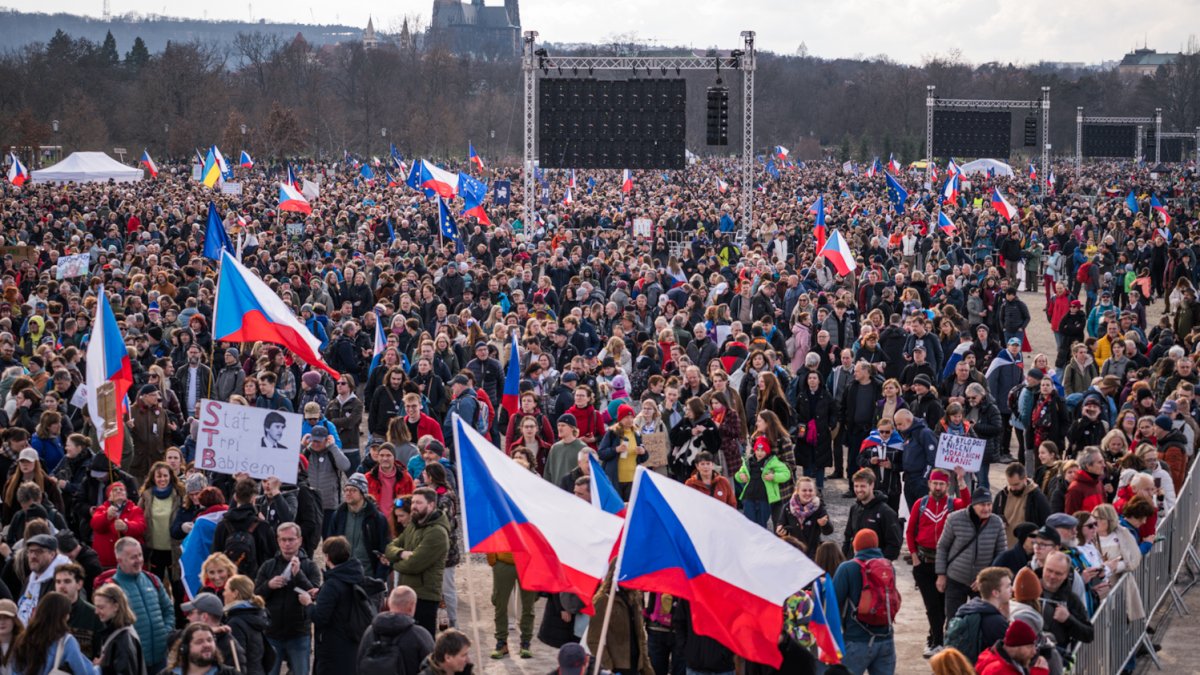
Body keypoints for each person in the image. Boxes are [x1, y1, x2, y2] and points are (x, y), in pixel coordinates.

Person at [905, 468, 969, 657]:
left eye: (941, 484)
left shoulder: (953, 504)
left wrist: (961, 480)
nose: (938, 487)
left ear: (947, 486)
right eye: (935, 483)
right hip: (923, 562)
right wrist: (914, 556)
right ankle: (935, 641)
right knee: (932, 605)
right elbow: (910, 532)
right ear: (929, 484)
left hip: (947, 563)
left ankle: (935, 637)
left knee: (943, 606)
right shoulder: (921, 504)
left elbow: (968, 504)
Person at [254, 522, 321, 675]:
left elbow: (314, 594)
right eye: (283, 540)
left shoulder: (310, 566)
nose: (287, 544)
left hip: (299, 633)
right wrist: (269, 585)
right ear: (278, 541)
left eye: (291, 539)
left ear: (300, 540)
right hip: (272, 632)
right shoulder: (268, 566)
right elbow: (256, 596)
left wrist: (299, 575)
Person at [297, 536, 368, 675]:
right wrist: (321, 592)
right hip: (351, 642)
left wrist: (308, 604)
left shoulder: (332, 584)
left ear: (328, 557)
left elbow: (319, 617)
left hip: (332, 647)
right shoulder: (354, 575)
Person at [101, 537, 174, 672]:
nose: (139, 560)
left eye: (140, 555)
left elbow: (168, 609)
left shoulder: (152, 579)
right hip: (134, 662)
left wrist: (166, 632)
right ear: (119, 561)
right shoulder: (111, 588)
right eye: (133, 557)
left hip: (161, 659)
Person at [384, 488, 450, 637]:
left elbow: (414, 565)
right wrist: (401, 553)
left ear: (431, 505)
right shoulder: (414, 525)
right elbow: (390, 547)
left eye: (419, 502)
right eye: (413, 502)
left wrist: (394, 564)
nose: (414, 506)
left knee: (423, 642)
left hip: (424, 596)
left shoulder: (437, 532)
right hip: (408, 591)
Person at [936, 488, 1009, 622]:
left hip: (983, 584)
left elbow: (1001, 555)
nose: (986, 508)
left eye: (989, 504)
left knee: (982, 622)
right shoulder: (954, 519)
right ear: (973, 504)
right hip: (956, 578)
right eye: (982, 504)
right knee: (953, 621)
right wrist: (941, 574)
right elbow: (942, 547)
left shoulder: (996, 522)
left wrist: (985, 578)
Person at [833, 529, 896, 675]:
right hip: (886, 639)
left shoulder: (847, 568)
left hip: (857, 640)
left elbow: (833, 602)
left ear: (856, 546)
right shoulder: (888, 566)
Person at [9, 591, 97, 675]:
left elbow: (16, 670)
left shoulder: (22, 639)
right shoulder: (66, 642)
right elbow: (82, 671)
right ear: (63, 616)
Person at [356, 585, 434, 675]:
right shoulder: (419, 635)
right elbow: (433, 667)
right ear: (412, 606)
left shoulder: (370, 631)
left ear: (389, 603)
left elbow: (359, 664)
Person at [325, 473, 389, 578]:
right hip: (342, 574)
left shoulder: (377, 518)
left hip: (368, 576)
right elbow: (330, 545)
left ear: (363, 493)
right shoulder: (338, 515)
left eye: (353, 490)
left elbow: (384, 549)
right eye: (346, 490)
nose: (348, 493)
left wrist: (380, 577)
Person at [211, 477, 275, 578]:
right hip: (254, 583)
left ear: (235, 497)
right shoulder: (263, 526)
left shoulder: (222, 525)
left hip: (228, 582)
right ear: (254, 498)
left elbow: (215, 556)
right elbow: (271, 558)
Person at [946, 567, 1012, 664]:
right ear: (996, 593)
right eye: (1008, 586)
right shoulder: (996, 622)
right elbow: (1010, 656)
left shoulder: (967, 610)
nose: (1012, 589)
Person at [1039, 552, 1094, 658]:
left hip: (1056, 657)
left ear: (1066, 575)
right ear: (1043, 567)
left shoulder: (1071, 599)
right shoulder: (1028, 588)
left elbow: (1088, 634)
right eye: (1049, 570)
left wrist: (1068, 619)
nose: (1052, 576)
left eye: (1058, 573)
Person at [841, 469, 902, 561]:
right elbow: (848, 537)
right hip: (855, 563)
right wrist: (843, 559)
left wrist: (879, 564)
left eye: (862, 486)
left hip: (875, 568)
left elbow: (894, 545)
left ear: (872, 485)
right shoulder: (854, 508)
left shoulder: (886, 512)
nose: (858, 490)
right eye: (856, 486)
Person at [178, 593, 246, 671]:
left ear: (204, 617)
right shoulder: (188, 639)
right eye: (199, 642)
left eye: (191, 613)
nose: (188, 617)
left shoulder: (231, 648)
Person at [14, 533, 70, 625]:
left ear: (52, 554)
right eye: (30, 551)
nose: (33, 556)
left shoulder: (61, 580)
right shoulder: (31, 578)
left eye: (39, 551)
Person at [92, 583, 146, 675]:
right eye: (96, 607)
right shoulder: (119, 632)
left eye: (101, 607)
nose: (96, 612)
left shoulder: (123, 639)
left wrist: (101, 668)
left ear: (116, 606)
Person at [222, 575, 271, 675]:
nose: (223, 594)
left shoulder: (235, 622)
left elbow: (238, 659)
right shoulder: (256, 614)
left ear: (235, 593)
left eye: (225, 590)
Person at [53, 562, 103, 659]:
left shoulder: (94, 614)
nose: (61, 586)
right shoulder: (47, 613)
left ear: (79, 584)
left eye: (67, 581)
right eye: (58, 582)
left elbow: (99, 652)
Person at [974, 619, 1050, 675]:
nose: (1034, 651)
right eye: (1029, 647)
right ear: (1016, 646)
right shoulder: (997, 671)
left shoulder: (1008, 664)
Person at [162, 622, 239, 675]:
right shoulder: (169, 674)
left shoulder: (230, 673)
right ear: (185, 648)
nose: (207, 645)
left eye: (209, 640)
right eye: (199, 642)